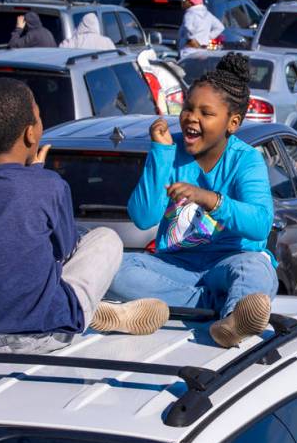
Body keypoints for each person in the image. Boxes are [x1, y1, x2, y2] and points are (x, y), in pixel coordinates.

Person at [0, 79, 169, 354]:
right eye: (38, 117)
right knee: (106, 238)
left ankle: (89, 307)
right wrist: (35, 175)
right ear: (30, 135)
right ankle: (87, 309)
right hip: (46, 331)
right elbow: (66, 249)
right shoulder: (47, 185)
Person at [108, 53, 276, 347]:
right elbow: (144, 217)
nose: (191, 117)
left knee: (256, 270)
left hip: (229, 264)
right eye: (188, 108)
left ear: (232, 122)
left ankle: (222, 314)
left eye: (205, 113)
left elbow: (260, 225)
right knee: (114, 266)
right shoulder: (170, 153)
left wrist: (209, 199)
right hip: (174, 267)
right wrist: (159, 153)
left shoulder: (246, 160)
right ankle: (220, 309)